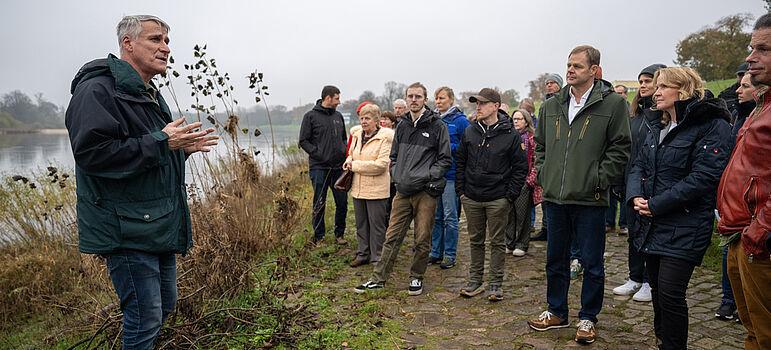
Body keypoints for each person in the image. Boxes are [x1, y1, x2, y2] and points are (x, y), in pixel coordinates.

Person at [64, 15, 219, 348]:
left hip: (155, 223)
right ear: (128, 44)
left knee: (162, 308)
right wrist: (163, 143)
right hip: (127, 228)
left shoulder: (148, 92)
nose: (165, 48)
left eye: (166, 41)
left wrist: (179, 150)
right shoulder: (98, 90)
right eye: (155, 40)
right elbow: (93, 154)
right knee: (144, 317)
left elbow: (146, 151)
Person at [528, 45, 631, 345]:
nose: (570, 70)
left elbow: (621, 147)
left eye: (577, 66)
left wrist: (598, 179)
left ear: (594, 71)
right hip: (556, 198)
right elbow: (541, 146)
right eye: (568, 65)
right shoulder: (550, 106)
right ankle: (556, 311)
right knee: (554, 259)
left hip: (590, 199)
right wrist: (546, 176)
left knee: (592, 262)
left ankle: (588, 317)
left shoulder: (612, 104)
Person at [627, 66, 730, 350]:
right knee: (659, 292)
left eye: (662, 87)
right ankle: (663, 341)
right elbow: (637, 164)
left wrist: (657, 204)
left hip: (685, 222)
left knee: (671, 292)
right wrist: (634, 195)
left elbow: (704, 177)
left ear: (682, 90)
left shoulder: (711, 124)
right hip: (651, 222)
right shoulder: (655, 123)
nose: (654, 92)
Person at [355, 82, 451, 296]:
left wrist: (427, 177)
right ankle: (378, 279)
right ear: (406, 100)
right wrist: (398, 176)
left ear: (425, 100)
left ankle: (416, 277)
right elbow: (394, 156)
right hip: (402, 190)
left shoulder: (437, 126)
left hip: (425, 192)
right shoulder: (403, 125)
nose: (414, 100)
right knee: (392, 236)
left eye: (418, 96)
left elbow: (445, 159)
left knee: (422, 238)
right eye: (410, 96)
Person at [718, 13, 771, 349]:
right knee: (753, 331)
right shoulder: (761, 105)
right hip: (740, 235)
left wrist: (761, 229)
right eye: (752, 48)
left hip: (760, 242)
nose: (750, 58)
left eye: (763, 49)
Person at [456, 88, 527, 301]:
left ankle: (495, 283)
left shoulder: (510, 134)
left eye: (482, 103)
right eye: (476, 103)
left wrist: (509, 196)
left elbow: (520, 167)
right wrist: (461, 192)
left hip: (498, 198)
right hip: (472, 197)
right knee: (475, 240)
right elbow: (460, 162)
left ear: (495, 106)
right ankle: (475, 281)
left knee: (497, 242)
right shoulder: (470, 131)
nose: (477, 107)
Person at [612, 63, 667, 303]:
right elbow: (624, 150)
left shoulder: (663, 116)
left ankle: (648, 281)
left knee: (649, 234)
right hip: (630, 183)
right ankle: (634, 277)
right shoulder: (635, 115)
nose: (643, 85)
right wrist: (619, 181)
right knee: (633, 233)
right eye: (641, 81)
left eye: (648, 81)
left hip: (653, 187)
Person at [714, 72, 760, 322]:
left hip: (754, 206)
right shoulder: (736, 117)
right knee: (729, 255)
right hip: (732, 204)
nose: (738, 91)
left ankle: (746, 304)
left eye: (745, 86)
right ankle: (729, 300)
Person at [344, 104, 394, 268]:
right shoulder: (357, 135)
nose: (363, 121)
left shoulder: (386, 138)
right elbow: (351, 155)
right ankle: (363, 253)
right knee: (361, 224)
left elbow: (380, 165)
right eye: (362, 118)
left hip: (377, 189)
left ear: (376, 120)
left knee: (377, 225)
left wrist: (355, 166)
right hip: (358, 188)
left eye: (367, 118)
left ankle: (377, 257)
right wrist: (348, 162)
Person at [299, 85, 348, 247]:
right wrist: (319, 154)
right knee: (319, 203)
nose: (339, 102)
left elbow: (343, 139)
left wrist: (343, 153)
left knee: (342, 202)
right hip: (319, 167)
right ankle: (319, 237)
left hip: (338, 168)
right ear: (328, 98)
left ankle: (339, 234)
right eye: (337, 98)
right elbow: (303, 141)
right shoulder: (310, 116)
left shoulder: (338, 116)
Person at [428, 86, 470, 269]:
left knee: (450, 217)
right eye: (436, 98)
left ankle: (450, 254)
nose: (438, 101)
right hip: (434, 175)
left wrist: (445, 147)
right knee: (436, 217)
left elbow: (467, 146)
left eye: (442, 98)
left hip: (451, 175)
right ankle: (436, 252)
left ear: (451, 100)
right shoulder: (432, 119)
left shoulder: (460, 121)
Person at [531, 73, 563, 243]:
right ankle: (545, 228)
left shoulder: (563, 102)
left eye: (553, 83)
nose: (549, 85)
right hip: (547, 153)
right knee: (545, 197)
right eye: (547, 83)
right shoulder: (544, 105)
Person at [505, 109, 539, 257]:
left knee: (522, 214)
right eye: (514, 119)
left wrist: (530, 181)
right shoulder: (509, 137)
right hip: (509, 180)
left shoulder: (532, 139)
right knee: (508, 213)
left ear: (526, 121)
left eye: (519, 118)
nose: (516, 121)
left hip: (524, 181)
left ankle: (522, 243)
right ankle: (509, 242)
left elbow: (537, 161)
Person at [606, 84, 630, 236]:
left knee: (626, 192)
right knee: (610, 190)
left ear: (626, 95)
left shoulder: (630, 109)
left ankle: (624, 224)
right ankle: (608, 222)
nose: (619, 95)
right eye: (616, 93)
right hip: (611, 154)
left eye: (621, 93)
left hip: (626, 157)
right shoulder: (611, 109)